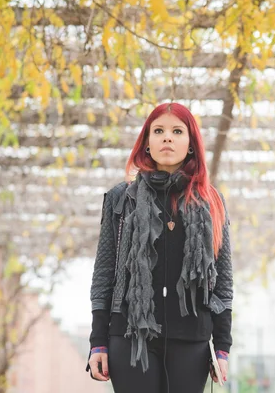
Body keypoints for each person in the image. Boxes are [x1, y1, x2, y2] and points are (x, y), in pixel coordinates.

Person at [86, 102, 234, 393]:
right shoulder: (121, 198)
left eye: (177, 131)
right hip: (129, 336)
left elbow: (223, 282)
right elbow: (105, 273)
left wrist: (222, 348)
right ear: (147, 143)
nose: (167, 137)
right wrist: (97, 342)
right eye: (159, 131)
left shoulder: (211, 202)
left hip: (191, 339)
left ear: (191, 144)